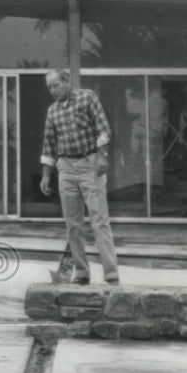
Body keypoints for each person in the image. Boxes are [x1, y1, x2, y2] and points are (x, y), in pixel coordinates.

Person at [40, 69, 120, 285]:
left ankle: (111, 273)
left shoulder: (87, 97)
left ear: (67, 81)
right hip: (65, 168)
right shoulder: (52, 111)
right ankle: (81, 272)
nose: (53, 91)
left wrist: (102, 155)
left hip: (89, 165)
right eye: (49, 87)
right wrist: (46, 175)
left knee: (99, 221)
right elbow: (49, 143)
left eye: (56, 85)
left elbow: (103, 128)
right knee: (73, 224)